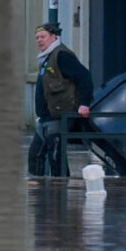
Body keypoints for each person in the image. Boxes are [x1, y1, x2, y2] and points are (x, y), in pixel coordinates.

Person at [28, 22, 94, 177]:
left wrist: (84, 104)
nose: (39, 40)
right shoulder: (46, 58)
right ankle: (41, 190)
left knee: (56, 155)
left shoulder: (61, 55)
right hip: (46, 117)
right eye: (37, 37)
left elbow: (84, 76)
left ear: (54, 37)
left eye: (43, 36)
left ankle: (60, 191)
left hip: (59, 115)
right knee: (35, 155)